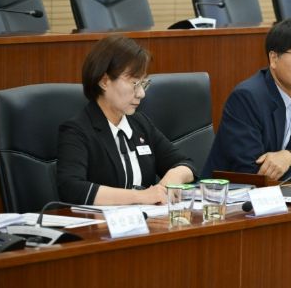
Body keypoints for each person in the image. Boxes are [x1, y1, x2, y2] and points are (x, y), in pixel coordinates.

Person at [57, 35, 196, 205]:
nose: (141, 94)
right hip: (99, 221)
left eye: (143, 84)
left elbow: (186, 164)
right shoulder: (77, 130)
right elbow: (71, 188)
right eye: (134, 83)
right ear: (104, 81)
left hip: (145, 219)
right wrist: (141, 196)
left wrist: (168, 183)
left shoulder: (139, 123)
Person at [202, 18, 291, 182]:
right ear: (274, 59)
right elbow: (251, 171)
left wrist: (290, 156)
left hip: (282, 192)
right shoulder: (247, 98)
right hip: (227, 192)